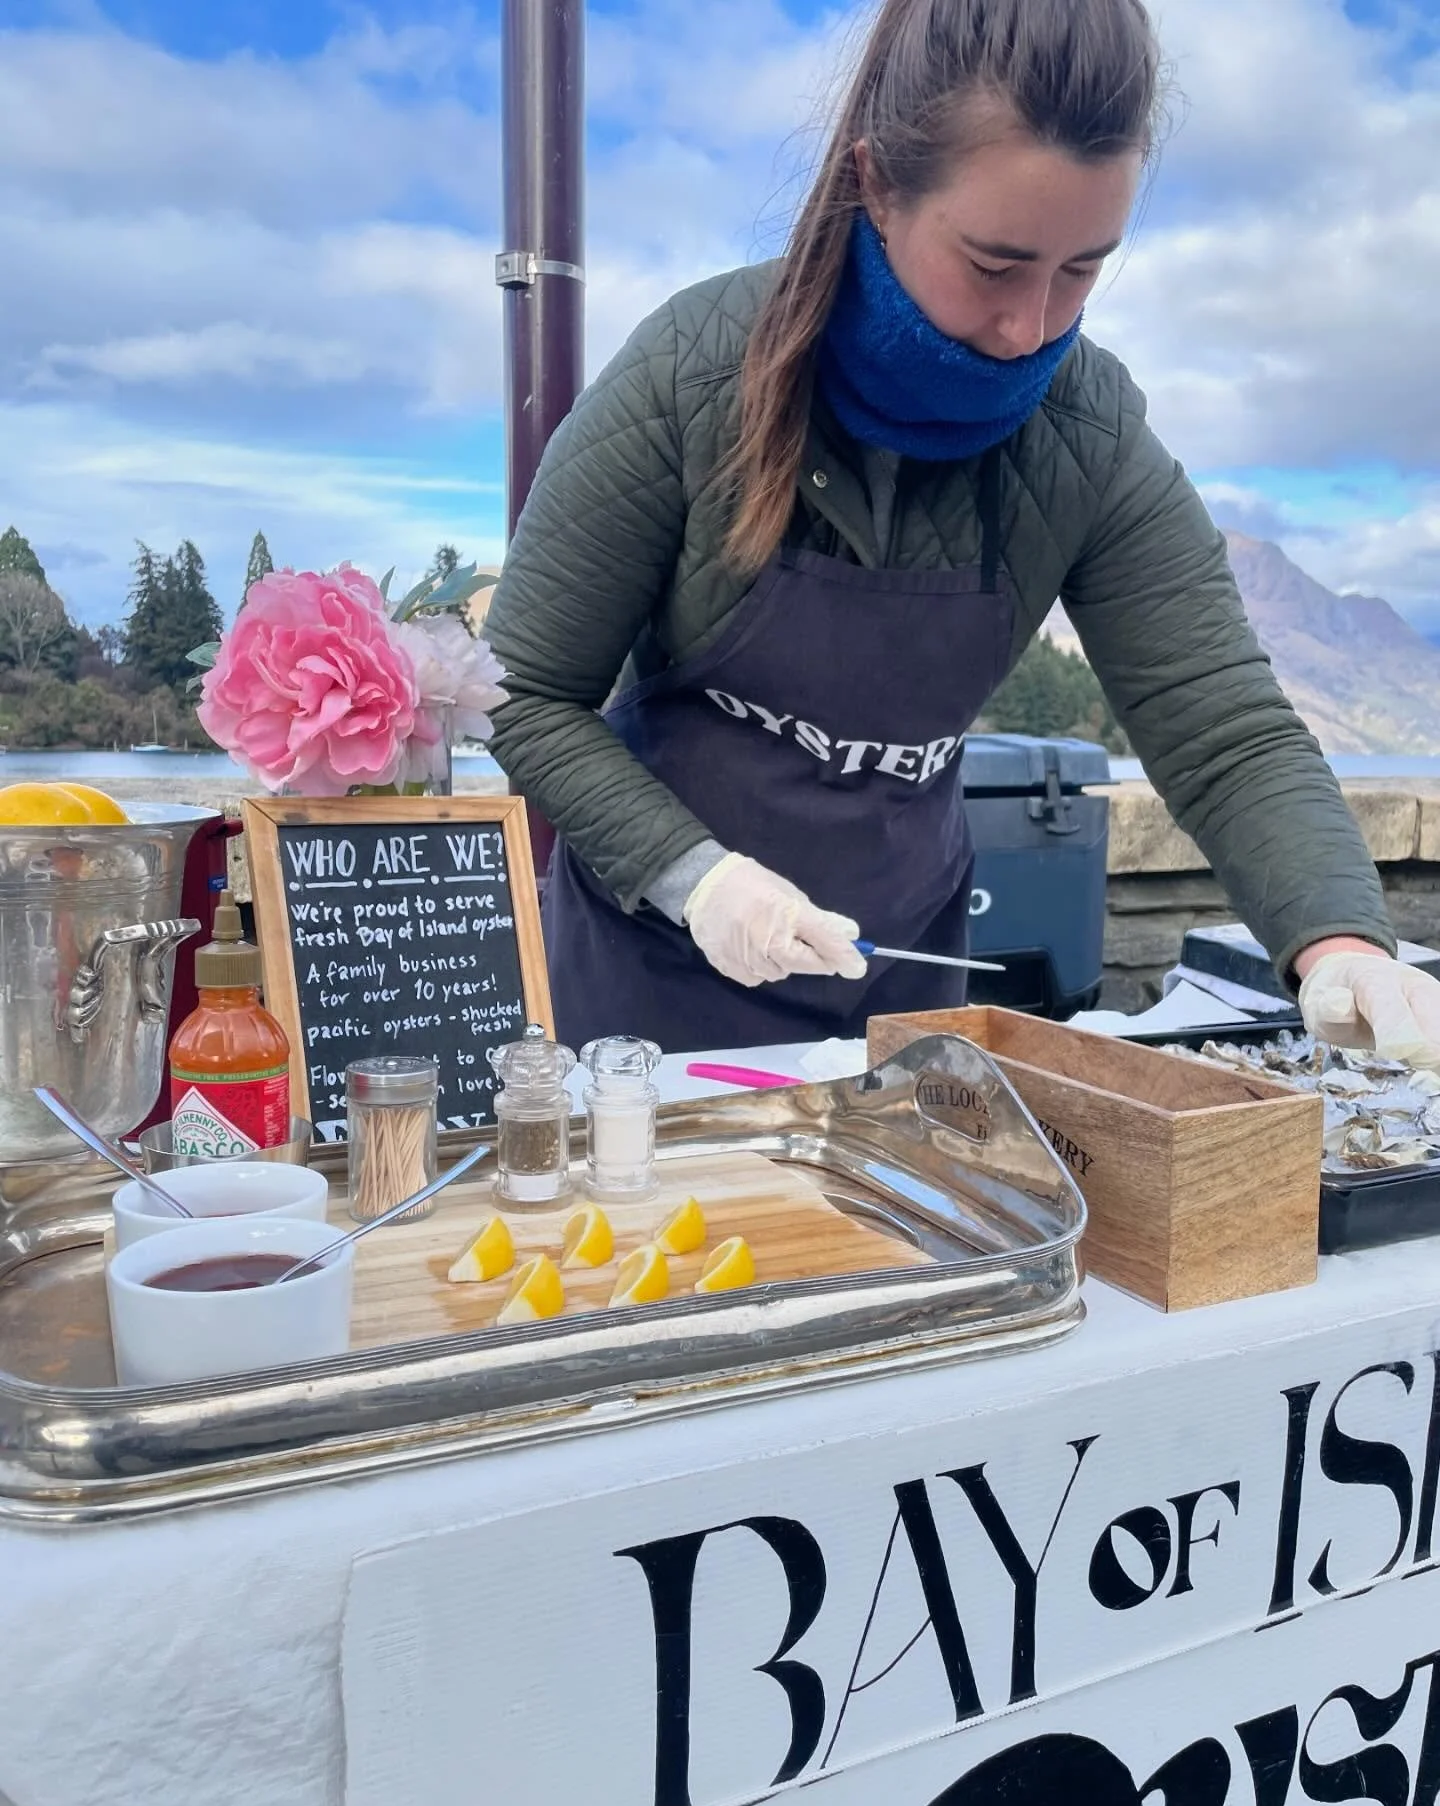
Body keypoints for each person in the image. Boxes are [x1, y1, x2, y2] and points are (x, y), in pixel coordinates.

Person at [485, 0, 1440, 1068]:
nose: (1033, 325)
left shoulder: (1091, 432)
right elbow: (525, 695)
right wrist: (693, 875)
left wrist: (1344, 941)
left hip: (907, 999)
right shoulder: (692, 375)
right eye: (995, 265)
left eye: (1083, 268)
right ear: (877, 186)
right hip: (651, 1002)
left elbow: (1223, 728)